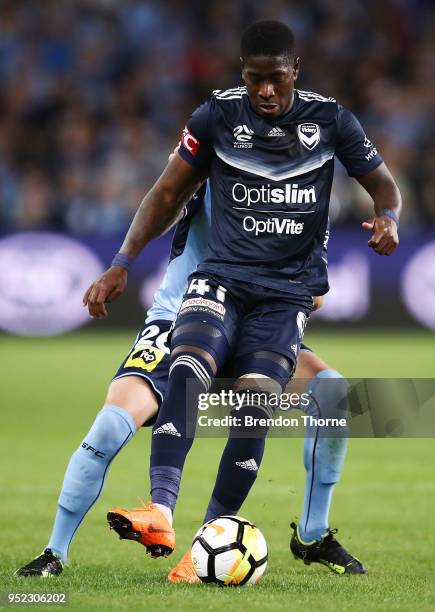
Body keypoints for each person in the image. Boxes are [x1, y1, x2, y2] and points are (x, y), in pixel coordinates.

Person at [88, 19, 400, 569]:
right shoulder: (216, 115)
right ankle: (159, 510)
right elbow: (165, 194)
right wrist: (120, 263)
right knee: (187, 368)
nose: (266, 92)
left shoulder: (331, 120)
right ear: (242, 74)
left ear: (295, 71)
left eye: (276, 79)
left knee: (258, 402)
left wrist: (389, 217)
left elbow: (383, 185)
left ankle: (208, 540)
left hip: (284, 295)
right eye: (256, 80)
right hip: (222, 277)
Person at [15, 179, 359, 580]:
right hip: (182, 317)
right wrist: (122, 262)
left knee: (332, 394)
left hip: (254, 328)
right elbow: (163, 198)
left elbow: (315, 294)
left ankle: (312, 534)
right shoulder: (213, 164)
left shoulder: (300, 196)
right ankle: (54, 552)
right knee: (111, 423)